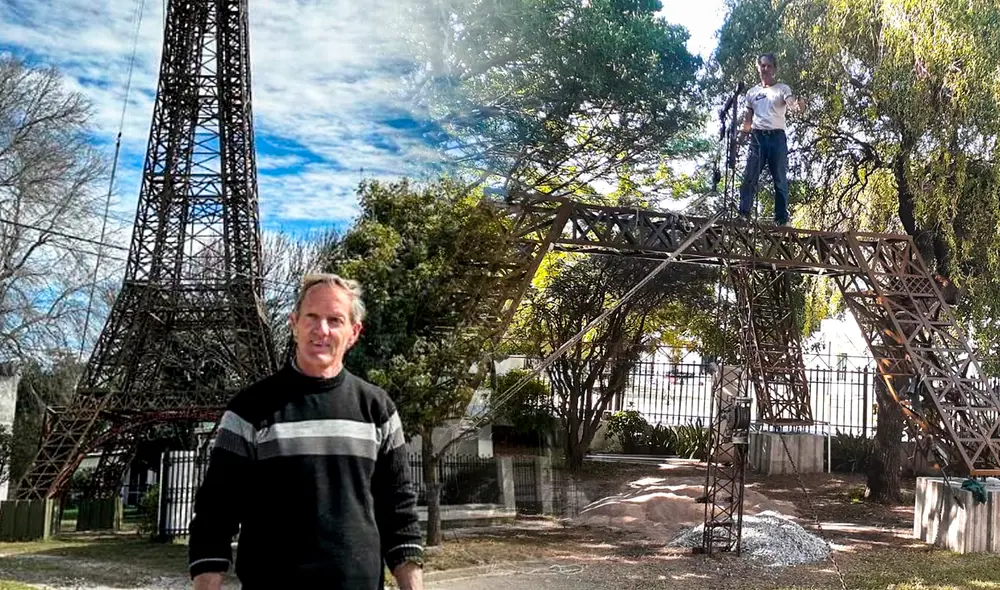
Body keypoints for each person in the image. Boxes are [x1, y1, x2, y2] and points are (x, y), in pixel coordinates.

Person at [188, 273, 424, 590]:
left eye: (335, 320)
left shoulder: (377, 409)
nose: (321, 330)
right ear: (294, 322)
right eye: (311, 317)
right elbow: (216, 512)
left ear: (354, 333)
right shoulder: (249, 409)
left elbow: (399, 513)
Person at [738, 53, 805, 226]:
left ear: (774, 69)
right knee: (749, 177)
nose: (765, 69)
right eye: (763, 65)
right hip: (757, 137)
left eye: (769, 66)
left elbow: (791, 105)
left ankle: (781, 219)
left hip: (776, 137)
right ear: (758, 68)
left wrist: (798, 107)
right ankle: (744, 214)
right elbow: (747, 120)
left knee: (780, 179)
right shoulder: (752, 93)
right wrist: (740, 137)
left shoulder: (782, 88)